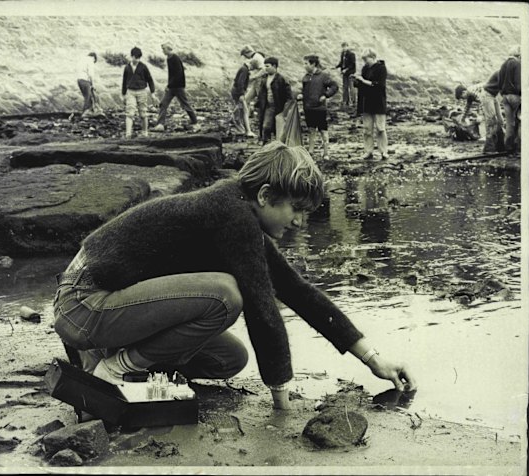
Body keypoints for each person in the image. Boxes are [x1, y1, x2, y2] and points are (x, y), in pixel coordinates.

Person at [52, 142, 417, 410]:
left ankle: (106, 358)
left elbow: (296, 291)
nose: (299, 222)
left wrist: (373, 358)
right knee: (226, 296)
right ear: (264, 195)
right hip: (83, 304)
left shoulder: (239, 212)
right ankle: (113, 370)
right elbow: (262, 309)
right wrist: (281, 401)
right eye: (295, 209)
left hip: (100, 306)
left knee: (228, 358)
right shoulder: (232, 215)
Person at [296, 55, 338, 159]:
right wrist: (301, 95)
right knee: (311, 129)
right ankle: (310, 151)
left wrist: (326, 95)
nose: (304, 66)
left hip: (319, 108)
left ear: (313, 64)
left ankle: (326, 152)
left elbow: (334, 86)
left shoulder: (323, 76)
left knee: (323, 130)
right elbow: (304, 90)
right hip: (308, 107)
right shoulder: (305, 77)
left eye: (306, 63)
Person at [454, 71, 505, 154]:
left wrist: (480, 115)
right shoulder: (469, 96)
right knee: (497, 120)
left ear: (463, 92)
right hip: (493, 95)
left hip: (489, 95)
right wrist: (462, 119)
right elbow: (467, 107)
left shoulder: (470, 90)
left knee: (492, 121)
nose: (463, 99)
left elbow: (482, 98)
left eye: (462, 97)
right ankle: (500, 146)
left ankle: (491, 148)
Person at [153, 43, 200, 132]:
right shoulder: (169, 58)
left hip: (178, 87)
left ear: (169, 49)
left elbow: (178, 74)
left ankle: (195, 123)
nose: (163, 51)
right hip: (172, 87)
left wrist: (169, 85)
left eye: (164, 49)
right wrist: (170, 85)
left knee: (185, 104)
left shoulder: (175, 58)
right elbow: (172, 74)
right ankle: (160, 125)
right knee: (163, 104)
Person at [352, 48, 388, 160]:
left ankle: (383, 151)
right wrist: (356, 82)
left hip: (378, 102)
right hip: (366, 102)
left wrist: (362, 80)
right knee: (367, 129)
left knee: (381, 128)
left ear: (373, 57)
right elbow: (362, 86)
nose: (365, 62)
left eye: (366, 59)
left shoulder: (381, 68)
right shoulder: (365, 68)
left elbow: (379, 85)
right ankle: (368, 151)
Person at [122, 46, 158, 139]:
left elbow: (150, 80)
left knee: (143, 113)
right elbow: (124, 81)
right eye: (136, 57)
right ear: (132, 56)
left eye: (139, 58)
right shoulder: (127, 67)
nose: (137, 60)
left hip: (142, 91)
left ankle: (145, 133)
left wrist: (152, 93)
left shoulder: (143, 67)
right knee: (129, 113)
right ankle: (128, 134)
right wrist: (123, 94)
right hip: (130, 92)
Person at [256, 57, 293, 144]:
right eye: (265, 66)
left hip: (279, 106)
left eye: (268, 66)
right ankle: (266, 144)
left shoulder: (281, 79)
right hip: (267, 106)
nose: (266, 68)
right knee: (266, 126)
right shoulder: (264, 78)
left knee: (277, 129)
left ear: (274, 66)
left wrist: (286, 109)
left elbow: (289, 95)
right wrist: (258, 104)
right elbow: (262, 93)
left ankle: (276, 146)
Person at [497, 45, 521, 153]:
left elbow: (499, 82)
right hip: (515, 96)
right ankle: (520, 147)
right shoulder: (517, 63)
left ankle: (508, 147)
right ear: (518, 54)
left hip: (505, 97)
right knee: (521, 121)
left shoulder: (503, 64)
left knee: (510, 123)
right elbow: (518, 83)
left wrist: (503, 93)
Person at [230, 54, 256, 137]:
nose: (252, 70)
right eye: (253, 68)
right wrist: (241, 94)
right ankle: (247, 131)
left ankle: (241, 128)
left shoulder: (243, 69)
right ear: (251, 65)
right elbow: (240, 83)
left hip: (237, 91)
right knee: (244, 111)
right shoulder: (244, 70)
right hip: (238, 92)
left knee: (240, 109)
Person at [240, 45, 266, 114]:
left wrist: (254, 77)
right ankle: (246, 116)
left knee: (261, 100)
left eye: (245, 55)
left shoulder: (257, 57)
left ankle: (261, 118)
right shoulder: (255, 57)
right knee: (246, 99)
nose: (245, 57)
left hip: (260, 82)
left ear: (247, 53)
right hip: (257, 82)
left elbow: (264, 69)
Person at [335, 42, 357, 108]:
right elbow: (341, 62)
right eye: (343, 47)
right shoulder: (342, 54)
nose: (344, 48)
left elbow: (352, 64)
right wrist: (336, 67)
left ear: (348, 46)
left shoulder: (352, 54)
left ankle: (354, 102)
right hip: (344, 73)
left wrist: (346, 69)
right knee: (345, 87)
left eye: (345, 46)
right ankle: (346, 101)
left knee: (351, 87)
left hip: (350, 73)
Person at [77, 52, 98, 117]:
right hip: (85, 80)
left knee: (87, 96)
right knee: (88, 97)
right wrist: (93, 84)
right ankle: (85, 113)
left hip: (79, 80)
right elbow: (91, 74)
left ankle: (88, 112)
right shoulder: (90, 61)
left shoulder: (82, 60)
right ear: (94, 58)